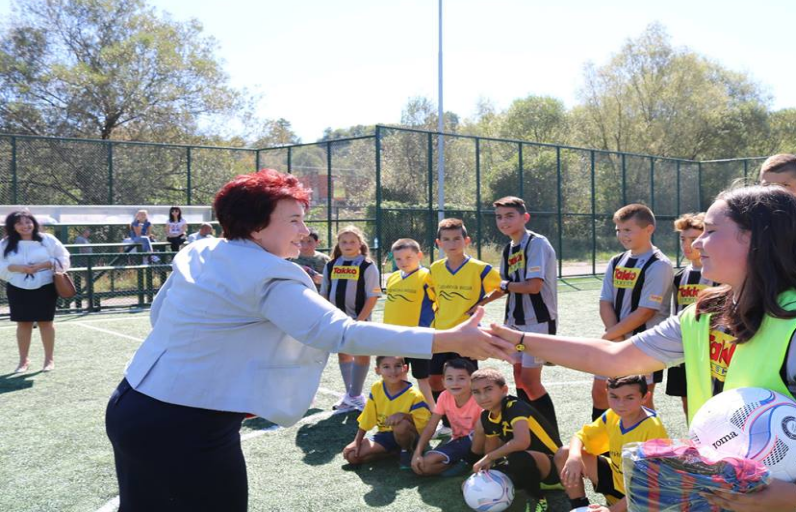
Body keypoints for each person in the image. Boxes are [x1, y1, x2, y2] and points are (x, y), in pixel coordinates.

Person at [105, 169, 510, 512]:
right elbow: (342, 332)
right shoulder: (271, 273)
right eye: (295, 220)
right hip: (187, 426)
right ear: (256, 225)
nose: (304, 231)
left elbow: (159, 315)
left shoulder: (201, 251)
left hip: (130, 404)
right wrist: (449, 338)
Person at [490, 185, 796, 511]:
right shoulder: (708, 312)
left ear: (755, 240)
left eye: (710, 231)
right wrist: (514, 339)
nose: (697, 244)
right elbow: (616, 357)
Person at [489, 196, 559, 435]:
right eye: (499, 217)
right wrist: (477, 304)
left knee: (530, 381)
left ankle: (550, 436)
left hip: (538, 322)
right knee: (519, 377)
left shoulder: (537, 243)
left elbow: (533, 286)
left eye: (510, 216)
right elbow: (503, 286)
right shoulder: (508, 248)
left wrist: (505, 285)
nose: (504, 221)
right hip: (514, 323)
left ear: (525, 217)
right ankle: (528, 432)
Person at [596, 203, 672, 416]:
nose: (622, 235)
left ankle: (652, 438)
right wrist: (615, 336)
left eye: (628, 229)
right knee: (601, 393)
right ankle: (606, 438)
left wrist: (612, 335)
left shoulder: (659, 264)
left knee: (640, 401)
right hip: (615, 340)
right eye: (619, 230)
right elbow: (605, 302)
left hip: (644, 344)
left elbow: (646, 311)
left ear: (649, 229)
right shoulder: (616, 261)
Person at [429, 218, 502, 436]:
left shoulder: (480, 268)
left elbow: (501, 288)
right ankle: (447, 423)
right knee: (436, 379)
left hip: (466, 335)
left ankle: (474, 423)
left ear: (466, 241)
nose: (452, 243)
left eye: (456, 239)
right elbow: (431, 295)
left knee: (468, 380)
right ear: (438, 243)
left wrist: (481, 303)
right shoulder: (434, 268)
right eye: (446, 239)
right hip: (440, 332)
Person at [555, 375, 668, 511]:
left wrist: (612, 510)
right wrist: (574, 457)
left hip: (644, 496)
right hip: (618, 482)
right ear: (607, 393)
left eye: (629, 398)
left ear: (645, 397)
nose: (620, 404)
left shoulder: (652, 428)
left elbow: (651, 483)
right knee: (565, 453)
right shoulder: (613, 415)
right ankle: (580, 507)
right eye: (614, 397)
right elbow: (580, 436)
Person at [469, 368, 562, 512]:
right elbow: (491, 449)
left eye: (488, 389)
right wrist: (486, 471)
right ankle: (528, 483)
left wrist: (488, 457)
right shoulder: (486, 416)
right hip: (527, 467)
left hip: (555, 467)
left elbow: (521, 442)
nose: (482, 396)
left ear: (504, 390)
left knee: (518, 458)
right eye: (476, 392)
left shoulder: (515, 406)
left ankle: (537, 498)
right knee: (490, 474)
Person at [0, 210, 70, 373]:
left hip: (45, 286)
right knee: (23, 323)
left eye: (28, 222)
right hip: (17, 287)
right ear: (12, 226)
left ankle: (49, 360)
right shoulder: (5, 243)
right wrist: (17, 268)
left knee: (46, 322)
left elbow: (64, 258)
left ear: (34, 223)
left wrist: (43, 265)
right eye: (19, 223)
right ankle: (23, 361)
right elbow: (1, 264)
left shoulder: (48, 239)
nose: (25, 226)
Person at [320, 226, 381, 412]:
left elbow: (373, 296)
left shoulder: (367, 265)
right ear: (338, 244)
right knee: (344, 353)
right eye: (344, 242)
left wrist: (359, 320)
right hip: (337, 320)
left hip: (359, 320)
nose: (348, 245)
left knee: (361, 354)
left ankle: (355, 395)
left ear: (360, 243)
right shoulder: (331, 265)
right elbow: (324, 293)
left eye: (352, 241)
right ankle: (350, 396)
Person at [666, 212, 717, 420]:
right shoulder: (679, 276)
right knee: (687, 401)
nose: (687, 245)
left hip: (711, 350)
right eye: (683, 239)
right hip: (685, 347)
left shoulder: (718, 275)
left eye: (693, 239)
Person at [342, 356, 430, 468]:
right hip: (386, 435)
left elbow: (424, 425)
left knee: (400, 425)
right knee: (352, 456)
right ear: (377, 370)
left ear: (405, 368)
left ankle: (407, 450)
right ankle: (393, 452)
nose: (393, 371)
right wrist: (357, 441)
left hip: (411, 436)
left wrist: (404, 416)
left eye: (397, 366)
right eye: (386, 367)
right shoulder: (376, 387)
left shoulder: (414, 395)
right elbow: (367, 417)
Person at [383, 238, 436, 410]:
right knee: (397, 376)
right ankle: (403, 410)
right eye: (398, 259)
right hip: (393, 337)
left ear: (419, 255)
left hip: (418, 337)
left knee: (423, 378)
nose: (403, 262)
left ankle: (432, 413)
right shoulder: (392, 277)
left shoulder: (427, 277)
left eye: (408, 257)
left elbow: (437, 304)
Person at [411, 358, 481, 476]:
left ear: (472, 380)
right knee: (424, 466)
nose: (455, 383)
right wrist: (417, 453)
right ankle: (462, 462)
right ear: (443, 381)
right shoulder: (444, 396)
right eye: (450, 378)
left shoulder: (479, 398)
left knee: (429, 462)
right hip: (458, 441)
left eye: (461, 378)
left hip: (477, 442)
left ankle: (471, 460)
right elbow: (431, 426)